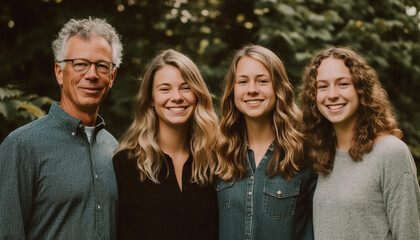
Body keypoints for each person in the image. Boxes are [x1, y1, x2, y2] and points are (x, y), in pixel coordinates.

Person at [0, 17, 123, 239]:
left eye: (102, 66)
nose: (92, 75)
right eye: (80, 64)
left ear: (112, 77)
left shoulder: (115, 149)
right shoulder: (21, 146)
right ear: (59, 72)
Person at [299, 46, 420, 239]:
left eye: (343, 84)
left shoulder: (391, 153)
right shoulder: (321, 155)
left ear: (361, 89)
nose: (331, 95)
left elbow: (408, 234)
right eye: (322, 86)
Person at [112, 49, 219, 240]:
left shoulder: (215, 160)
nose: (176, 97)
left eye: (186, 87)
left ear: (197, 95)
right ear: (151, 99)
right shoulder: (125, 164)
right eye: (165, 89)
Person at [216, 44, 316, 240]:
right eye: (243, 81)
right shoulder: (219, 153)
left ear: (278, 88)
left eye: (262, 81)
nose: (252, 90)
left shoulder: (305, 153)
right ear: (232, 90)